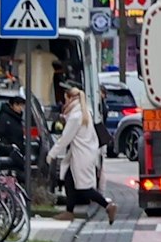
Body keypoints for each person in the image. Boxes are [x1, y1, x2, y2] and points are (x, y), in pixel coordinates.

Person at [48, 87, 116, 224]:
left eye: (65, 99)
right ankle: (69, 211)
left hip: (80, 157)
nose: (64, 103)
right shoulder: (84, 112)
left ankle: (108, 206)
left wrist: (52, 154)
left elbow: (65, 138)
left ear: (71, 98)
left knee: (84, 188)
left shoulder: (75, 116)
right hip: (84, 155)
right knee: (69, 181)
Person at [0, 96, 30, 173]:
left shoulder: (16, 118)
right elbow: (0, 133)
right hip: (9, 153)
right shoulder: (6, 118)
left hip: (16, 152)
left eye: (22, 106)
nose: (21, 108)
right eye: (19, 105)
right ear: (12, 105)